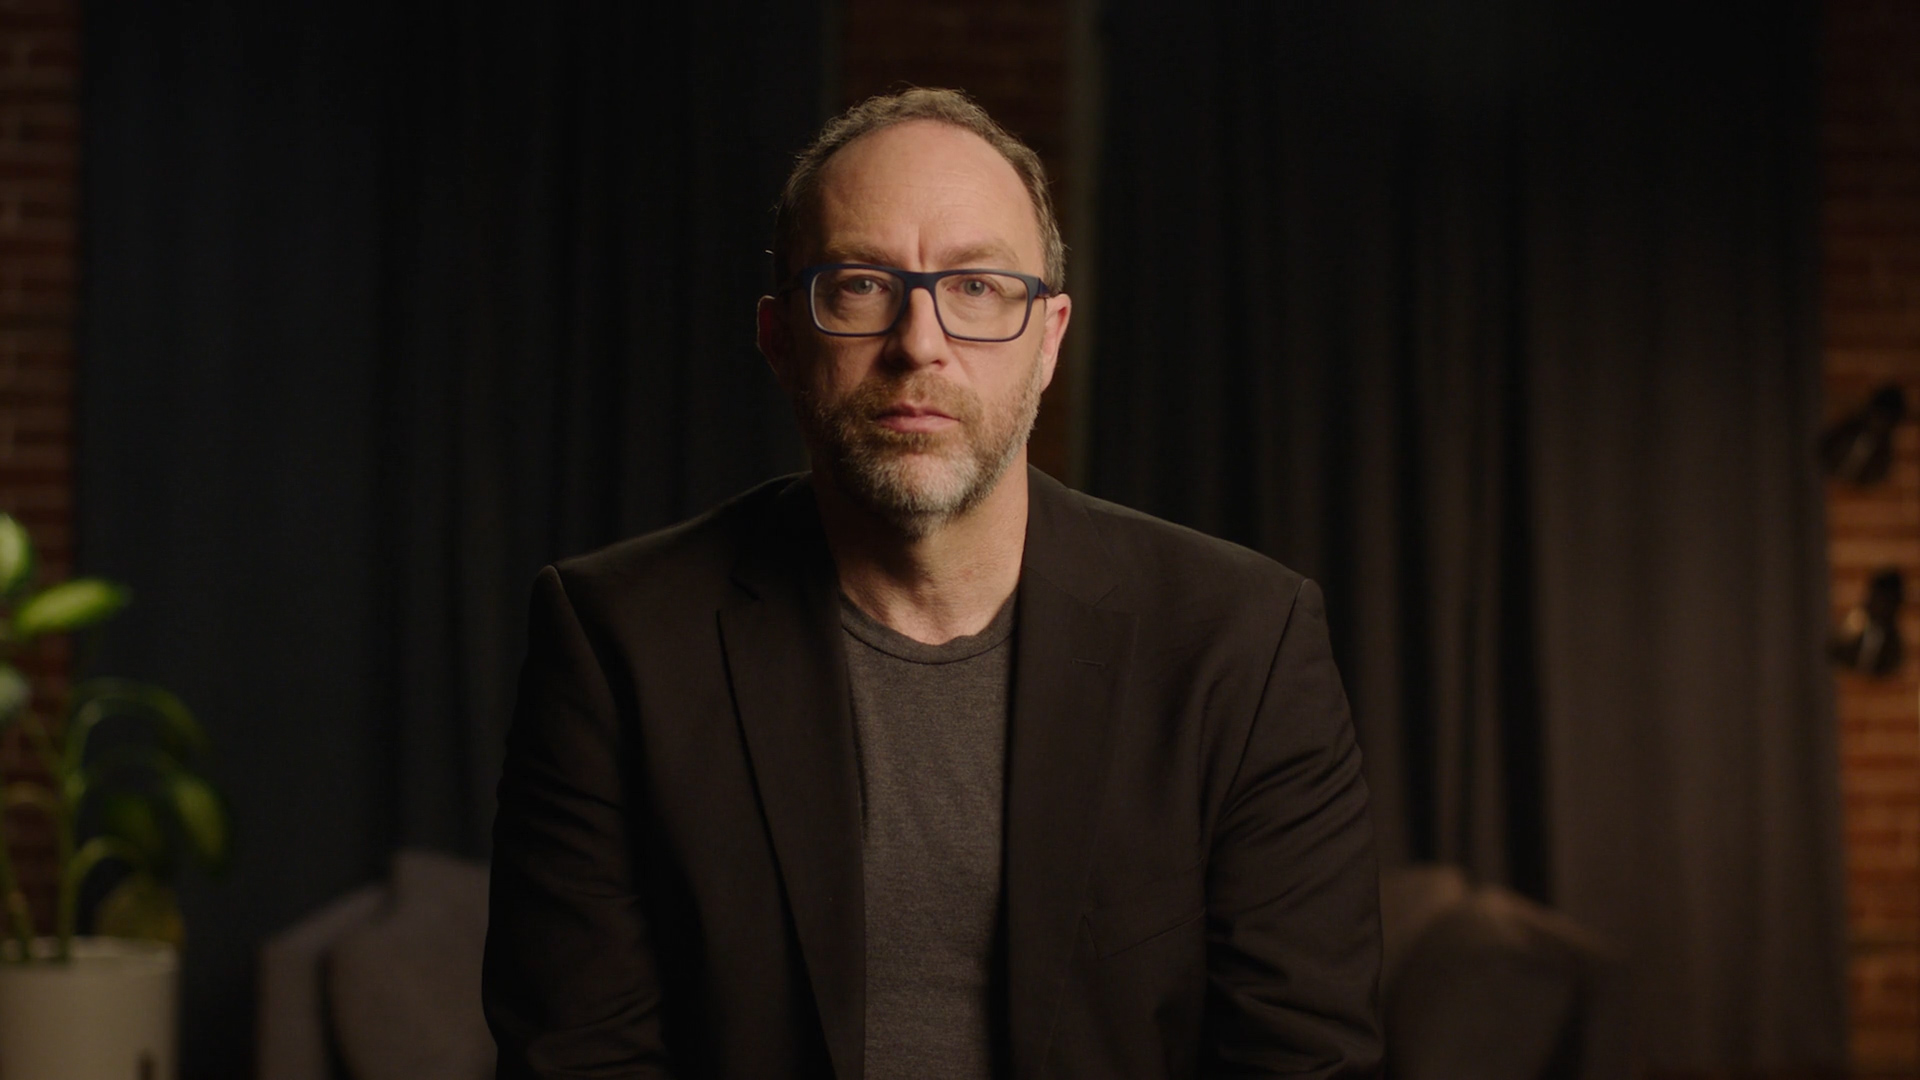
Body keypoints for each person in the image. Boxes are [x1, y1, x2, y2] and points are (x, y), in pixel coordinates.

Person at [483, 88, 1382, 1080]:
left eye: (978, 287)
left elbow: (1304, 1062)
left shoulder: (1243, 643)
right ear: (780, 339)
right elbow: (579, 1061)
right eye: (861, 285)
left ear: (1049, 338)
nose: (920, 342)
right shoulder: (616, 641)